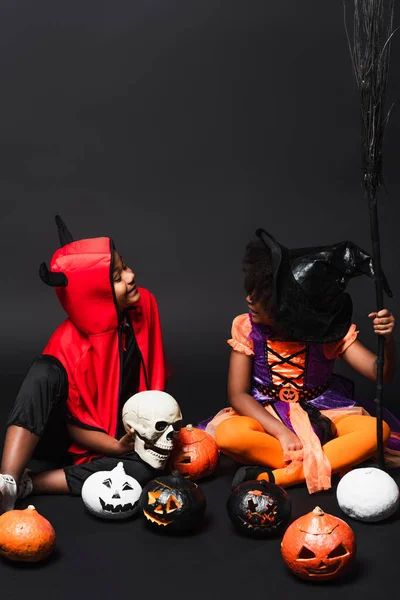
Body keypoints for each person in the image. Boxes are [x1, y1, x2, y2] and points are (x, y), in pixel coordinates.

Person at [199, 229, 399, 494]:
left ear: (292, 305)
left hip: (324, 411)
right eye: (252, 291)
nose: (250, 299)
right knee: (228, 435)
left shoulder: (327, 333)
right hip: (266, 412)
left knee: (378, 431)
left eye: (263, 297)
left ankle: (283, 477)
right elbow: (237, 395)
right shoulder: (245, 327)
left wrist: (387, 340)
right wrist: (281, 432)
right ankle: (329, 461)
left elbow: (381, 374)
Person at [0, 216, 166, 513]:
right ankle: (9, 483)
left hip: (121, 436)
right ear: (94, 295)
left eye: (125, 267)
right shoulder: (69, 345)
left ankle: (32, 483)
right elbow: (73, 427)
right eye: (117, 277)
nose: (130, 276)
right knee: (43, 371)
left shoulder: (145, 306)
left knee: (149, 468)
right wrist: (115, 447)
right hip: (66, 437)